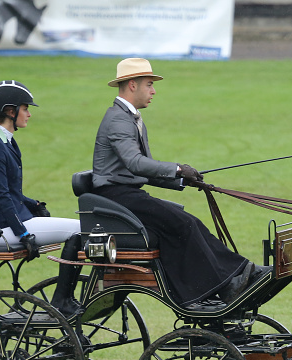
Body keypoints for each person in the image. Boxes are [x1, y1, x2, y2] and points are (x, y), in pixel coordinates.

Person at [91, 58, 267, 306]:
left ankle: (235, 275)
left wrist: (183, 180)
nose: (153, 91)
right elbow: (135, 163)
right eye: (149, 84)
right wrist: (177, 169)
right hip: (117, 197)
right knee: (183, 224)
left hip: (126, 194)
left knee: (189, 222)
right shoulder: (119, 120)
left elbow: (144, 171)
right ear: (132, 85)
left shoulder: (129, 118)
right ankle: (226, 283)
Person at [0, 80, 82, 316]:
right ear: (10, 112)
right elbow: (1, 196)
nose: (29, 114)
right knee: (79, 231)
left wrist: (34, 205)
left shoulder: (6, 142)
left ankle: (65, 297)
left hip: (11, 222)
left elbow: (11, 192)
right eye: (25, 108)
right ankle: (62, 299)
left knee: (80, 229)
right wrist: (23, 233)